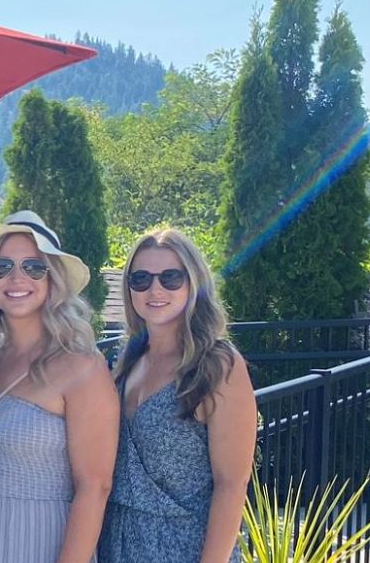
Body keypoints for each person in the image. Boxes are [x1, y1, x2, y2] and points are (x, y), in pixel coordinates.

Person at [0, 210, 118, 563]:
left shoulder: (83, 367)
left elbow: (95, 486)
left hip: (40, 539)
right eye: (2, 267)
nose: (16, 278)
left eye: (34, 267)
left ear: (52, 280)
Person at [97, 230, 256, 563]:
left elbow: (232, 484)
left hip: (186, 547)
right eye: (140, 278)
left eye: (170, 277)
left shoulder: (217, 364)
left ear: (193, 282)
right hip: (118, 543)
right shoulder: (127, 360)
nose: (155, 289)